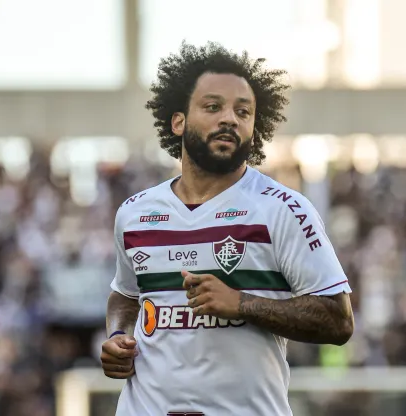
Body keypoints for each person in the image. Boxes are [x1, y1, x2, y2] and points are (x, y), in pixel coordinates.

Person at [101, 41, 355, 416]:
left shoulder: (283, 209)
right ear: (178, 121)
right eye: (213, 107)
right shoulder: (136, 213)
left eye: (243, 111)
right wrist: (118, 336)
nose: (230, 119)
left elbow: (338, 319)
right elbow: (125, 295)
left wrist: (242, 304)